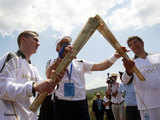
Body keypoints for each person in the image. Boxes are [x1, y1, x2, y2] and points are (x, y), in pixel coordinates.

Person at [46, 36, 121, 120]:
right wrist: (60, 57)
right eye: (63, 44)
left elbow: (101, 66)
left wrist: (115, 57)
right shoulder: (52, 62)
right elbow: (48, 76)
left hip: (80, 102)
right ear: (57, 48)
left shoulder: (80, 62)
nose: (66, 46)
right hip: (62, 102)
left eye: (68, 43)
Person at [0, 31, 63, 120]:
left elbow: (42, 92)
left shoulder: (34, 68)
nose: (39, 44)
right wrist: (33, 87)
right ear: (23, 40)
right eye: (35, 40)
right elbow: (2, 88)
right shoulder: (11, 58)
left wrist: (53, 83)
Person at [121, 36, 160, 120]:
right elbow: (124, 80)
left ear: (142, 43)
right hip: (146, 105)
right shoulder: (131, 63)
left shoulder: (157, 56)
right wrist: (128, 70)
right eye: (130, 45)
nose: (133, 45)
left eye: (135, 42)